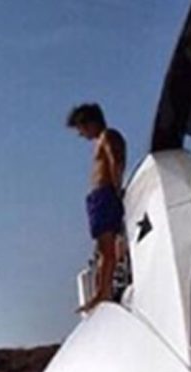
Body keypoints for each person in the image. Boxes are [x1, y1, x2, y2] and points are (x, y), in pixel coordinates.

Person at [67, 103, 126, 313]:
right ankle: (101, 290)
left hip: (106, 194)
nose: (81, 134)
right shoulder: (100, 141)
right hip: (98, 197)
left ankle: (104, 292)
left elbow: (115, 161)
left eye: (81, 128)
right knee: (102, 250)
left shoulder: (108, 136)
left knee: (107, 249)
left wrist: (118, 190)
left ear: (90, 122)